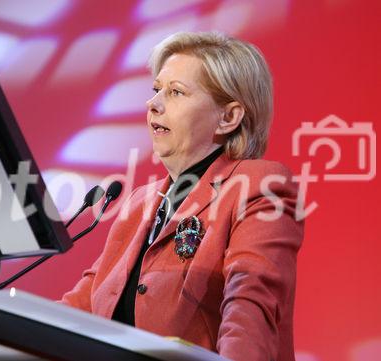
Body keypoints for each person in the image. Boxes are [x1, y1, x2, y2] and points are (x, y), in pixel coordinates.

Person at [60, 31, 304, 361]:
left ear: (228, 117)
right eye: (156, 89)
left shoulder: (258, 185)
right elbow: (77, 310)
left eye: (176, 92)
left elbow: (250, 304)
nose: (153, 103)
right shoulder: (139, 203)